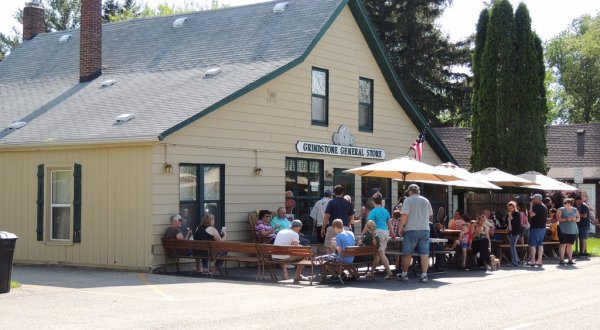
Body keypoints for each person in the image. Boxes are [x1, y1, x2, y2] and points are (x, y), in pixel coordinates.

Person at [397, 184, 433, 283]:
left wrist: (401, 227)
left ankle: (404, 274)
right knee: (424, 253)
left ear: (410, 191)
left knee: (407, 253)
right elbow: (430, 214)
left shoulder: (408, 200)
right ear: (418, 191)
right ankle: (424, 275)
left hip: (411, 229)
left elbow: (404, 215)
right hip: (425, 229)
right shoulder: (426, 200)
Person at [365, 195, 395, 279]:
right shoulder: (385, 211)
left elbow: (368, 224)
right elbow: (389, 223)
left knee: (381, 254)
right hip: (386, 233)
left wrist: (362, 234)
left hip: (377, 233)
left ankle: (389, 272)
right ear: (381, 201)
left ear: (373, 201)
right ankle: (371, 272)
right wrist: (392, 233)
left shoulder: (373, 211)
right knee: (378, 254)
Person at [321, 185, 355, 253]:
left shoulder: (331, 202)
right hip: (344, 228)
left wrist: (323, 228)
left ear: (334, 192)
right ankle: (341, 262)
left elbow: (327, 216)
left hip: (332, 227)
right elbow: (351, 218)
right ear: (343, 193)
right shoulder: (348, 203)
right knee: (344, 247)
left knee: (329, 246)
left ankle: (330, 261)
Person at [556, 198, 580, 265]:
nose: (564, 204)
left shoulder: (575, 209)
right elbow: (558, 218)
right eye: (564, 202)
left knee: (570, 245)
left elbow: (578, 219)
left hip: (573, 230)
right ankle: (562, 259)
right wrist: (567, 219)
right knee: (563, 244)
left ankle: (570, 259)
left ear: (569, 203)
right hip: (563, 230)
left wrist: (575, 219)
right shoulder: (561, 209)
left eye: (565, 202)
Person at [527, 194, 548, 267]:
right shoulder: (544, 206)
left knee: (533, 245)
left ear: (538, 199)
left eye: (534, 199)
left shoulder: (538, 206)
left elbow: (531, 214)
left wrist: (530, 206)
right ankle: (539, 260)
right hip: (542, 228)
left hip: (536, 228)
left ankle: (532, 261)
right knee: (540, 244)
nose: (532, 200)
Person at [506, 201, 522, 267]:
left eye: (511, 208)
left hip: (515, 232)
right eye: (509, 208)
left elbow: (515, 223)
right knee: (513, 246)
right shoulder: (512, 213)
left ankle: (515, 262)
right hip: (512, 231)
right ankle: (517, 260)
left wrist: (510, 215)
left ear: (514, 207)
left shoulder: (516, 213)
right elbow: (509, 222)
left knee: (512, 246)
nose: (509, 209)